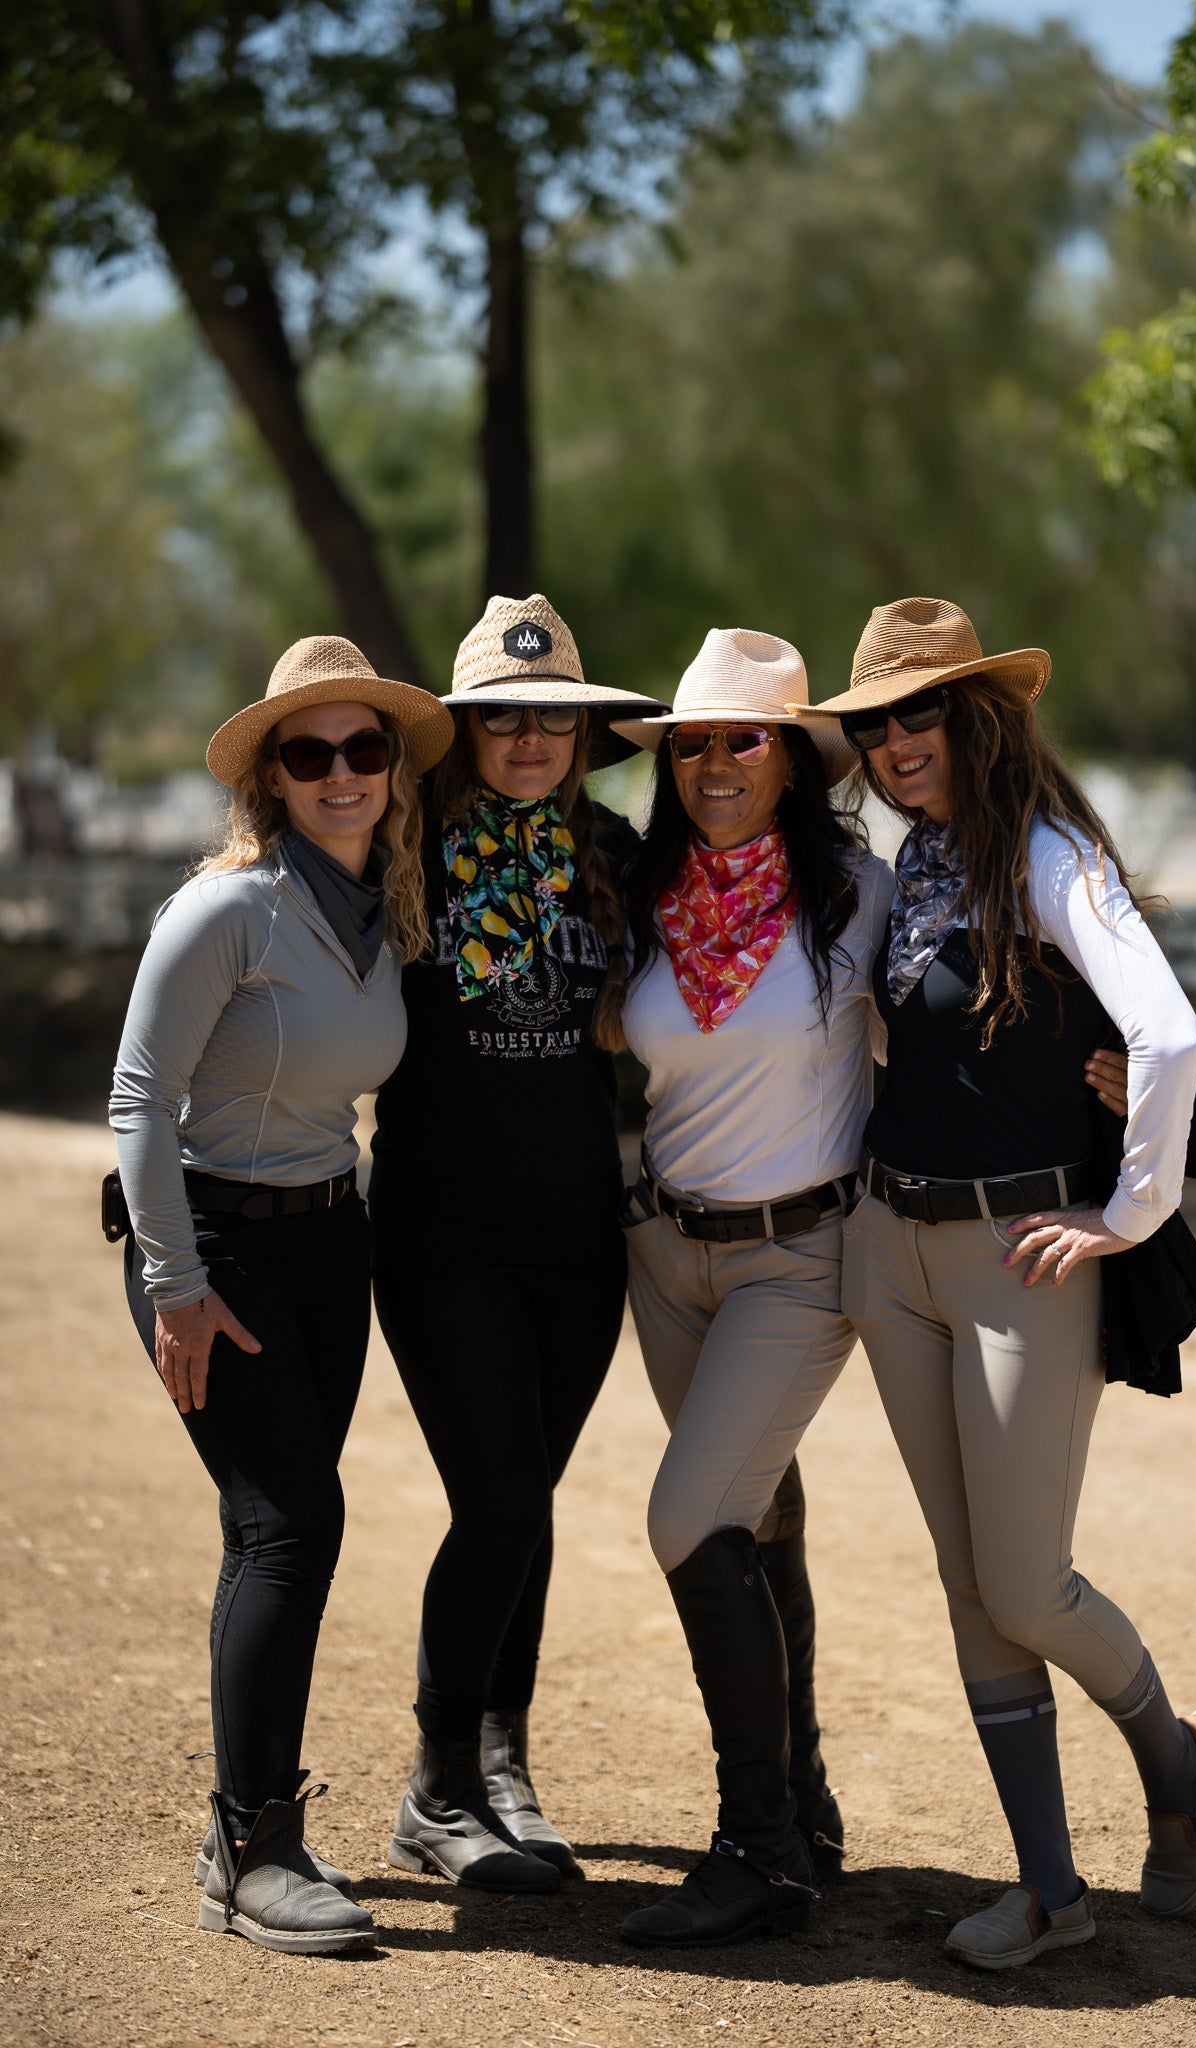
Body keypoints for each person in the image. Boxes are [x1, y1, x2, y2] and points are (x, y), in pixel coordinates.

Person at [798, 596, 1196, 1971]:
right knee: (964, 1580)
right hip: (891, 1247)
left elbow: (1164, 1037)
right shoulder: (905, 866)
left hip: (1018, 1256)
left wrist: (1125, 1209)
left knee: (1026, 1583)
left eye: (917, 714)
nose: (893, 743)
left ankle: (1181, 1760)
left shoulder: (1047, 857)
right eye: (870, 726)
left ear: (976, 718)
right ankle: (1049, 1890)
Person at [110, 635, 452, 1953]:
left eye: (364, 746)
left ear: (391, 768)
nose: (341, 772)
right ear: (272, 776)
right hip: (217, 1251)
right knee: (293, 1524)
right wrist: (173, 1286)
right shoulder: (228, 908)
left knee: (264, 1530)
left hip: (328, 1246)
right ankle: (258, 1848)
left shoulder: (383, 907)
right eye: (308, 753)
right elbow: (140, 1099)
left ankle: (236, 1827)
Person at [601, 628, 894, 1949]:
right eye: (693, 742)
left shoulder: (856, 898)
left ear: (791, 761)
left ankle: (756, 1846)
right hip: (665, 1254)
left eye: (745, 739)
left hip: (798, 1257)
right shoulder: (643, 896)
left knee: (686, 1517)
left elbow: (963, 1011)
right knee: (756, 1512)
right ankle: (809, 1800)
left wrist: (1103, 1077)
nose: (715, 763)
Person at [367, 594, 661, 1894]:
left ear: (583, 732)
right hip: (439, 1233)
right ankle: (436, 1792)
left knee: (523, 1506)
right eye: (500, 716)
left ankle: (503, 1766)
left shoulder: (615, 852)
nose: (528, 735)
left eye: (550, 714)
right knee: (494, 1499)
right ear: (466, 734)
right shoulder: (397, 852)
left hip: (578, 1239)